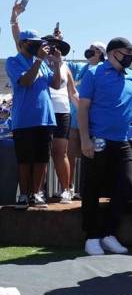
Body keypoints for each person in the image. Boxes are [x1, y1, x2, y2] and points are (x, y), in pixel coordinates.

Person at [78, 37, 132, 255]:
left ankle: (108, 233)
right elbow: (83, 108)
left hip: (121, 140)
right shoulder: (94, 73)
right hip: (97, 139)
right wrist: (85, 139)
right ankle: (92, 236)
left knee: (126, 184)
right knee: (92, 187)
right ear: (113, 53)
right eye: (126, 52)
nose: (130, 56)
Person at [6, 29, 61, 209]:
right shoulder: (13, 61)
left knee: (41, 159)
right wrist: (38, 60)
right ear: (22, 43)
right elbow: (26, 81)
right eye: (32, 42)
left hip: (45, 118)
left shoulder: (43, 62)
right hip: (24, 120)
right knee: (25, 160)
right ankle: (23, 195)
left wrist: (58, 65)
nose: (37, 45)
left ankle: (36, 194)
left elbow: (55, 84)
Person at [67, 42, 106, 200]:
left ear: (100, 53)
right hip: (75, 118)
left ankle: (87, 189)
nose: (89, 51)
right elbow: (62, 62)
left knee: (88, 155)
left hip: (92, 120)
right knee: (70, 153)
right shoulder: (81, 68)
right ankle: (68, 187)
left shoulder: (103, 70)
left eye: (93, 49)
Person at [43, 30, 78, 204]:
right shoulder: (38, 62)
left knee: (60, 152)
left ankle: (66, 189)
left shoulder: (65, 66)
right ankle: (38, 191)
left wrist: (87, 113)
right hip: (42, 112)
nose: (52, 49)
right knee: (41, 153)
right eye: (49, 46)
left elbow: (73, 93)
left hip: (62, 111)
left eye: (55, 46)